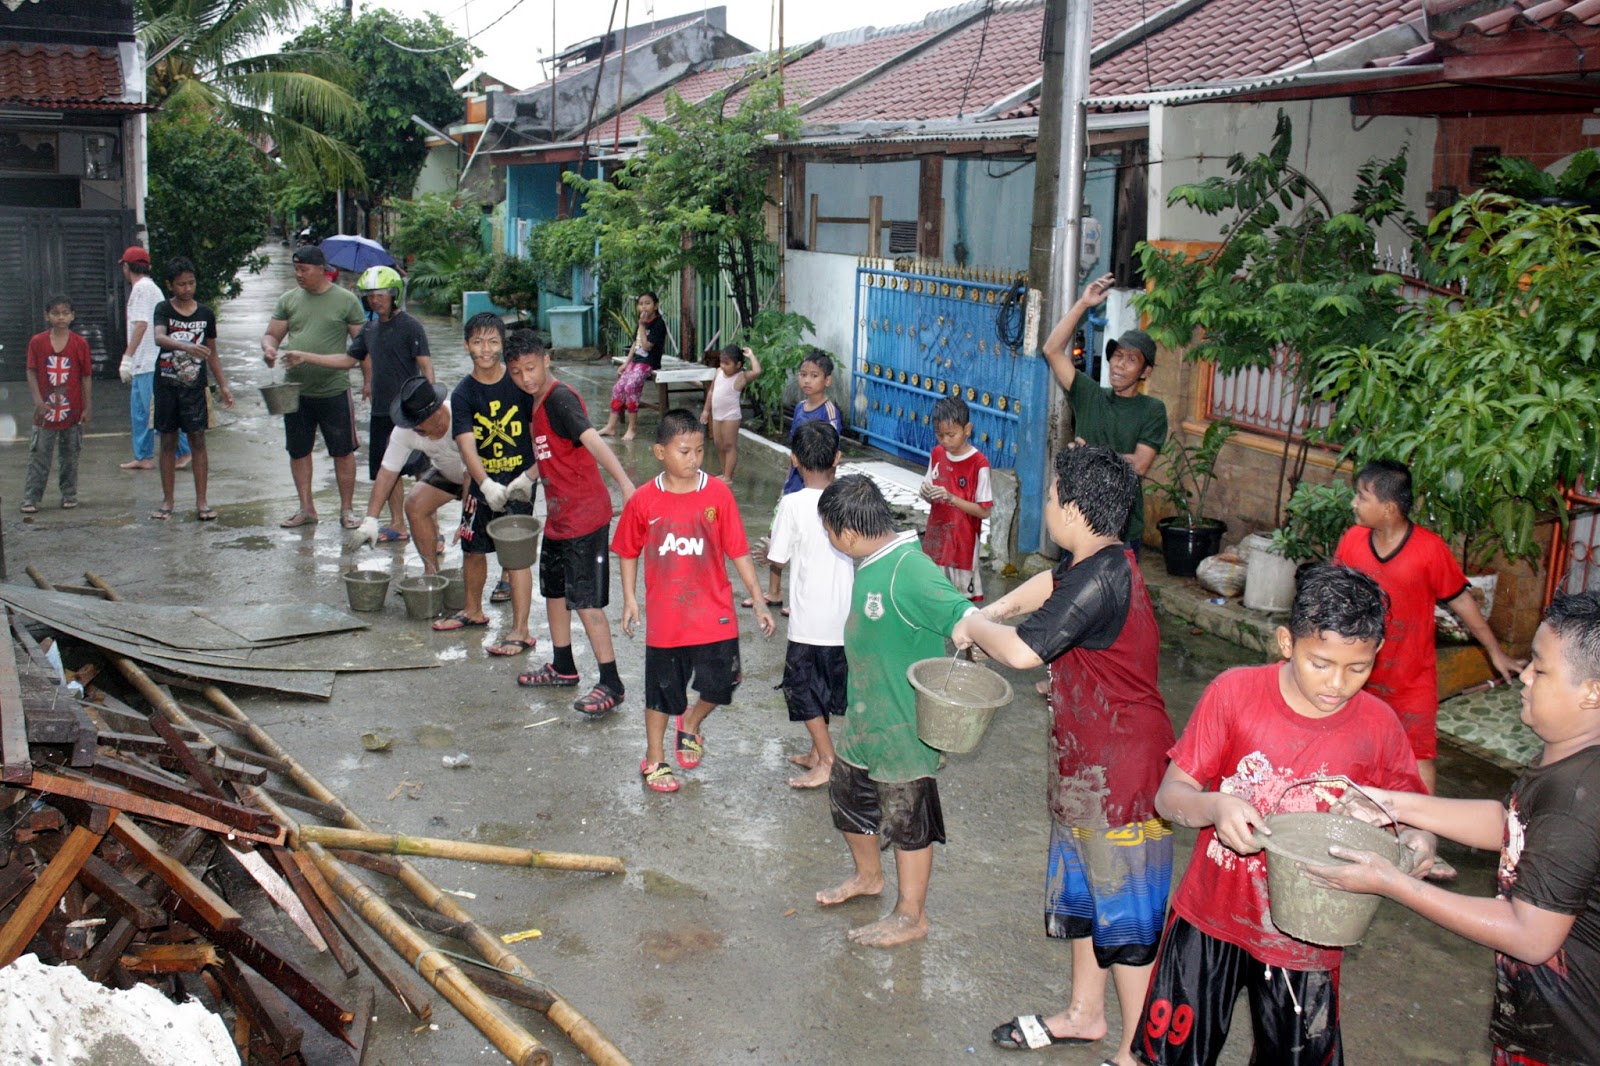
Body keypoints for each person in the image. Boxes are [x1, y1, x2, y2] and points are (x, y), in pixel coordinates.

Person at [1133, 563, 1435, 1066]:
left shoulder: (1379, 728)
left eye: (1357, 668)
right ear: (1285, 642)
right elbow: (1170, 797)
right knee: (1174, 1055)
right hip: (1209, 917)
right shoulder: (1235, 693)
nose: (1337, 683)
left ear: (1377, 653)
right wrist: (1215, 805)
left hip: (1308, 936)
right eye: (1321, 663)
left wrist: (1422, 843)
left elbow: (1416, 817)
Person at [1301, 590, 1600, 1066]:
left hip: (1571, 1040)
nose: (1523, 676)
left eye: (1540, 670)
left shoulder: (1579, 799)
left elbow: (1530, 936)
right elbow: (1511, 824)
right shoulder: (1569, 758)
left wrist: (1392, 883)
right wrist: (1394, 803)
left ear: (1593, 691)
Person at [950, 446, 1171, 1066]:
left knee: (1125, 918)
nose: (1046, 504)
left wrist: (974, 624)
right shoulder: (1095, 559)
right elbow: (1048, 587)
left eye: (1050, 496)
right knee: (1084, 894)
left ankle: (1139, 1050)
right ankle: (1084, 1013)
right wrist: (993, 609)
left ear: (1072, 509)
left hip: (1121, 769)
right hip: (1085, 758)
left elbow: (1023, 653)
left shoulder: (1105, 576)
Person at [813, 474, 978, 947]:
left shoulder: (911, 567)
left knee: (908, 823)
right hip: (867, 717)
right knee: (849, 801)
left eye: (829, 532)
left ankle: (911, 915)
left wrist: (978, 633)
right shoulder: (871, 560)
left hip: (905, 724)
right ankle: (869, 877)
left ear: (846, 532)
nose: (830, 540)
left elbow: (962, 613)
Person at [1333, 459, 1523, 796]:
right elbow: (1334, 592)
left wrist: (1495, 651)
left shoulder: (1429, 550)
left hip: (1411, 680)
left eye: (1361, 497)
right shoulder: (1352, 540)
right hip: (1356, 673)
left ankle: (1423, 835)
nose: (1354, 504)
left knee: (1418, 758)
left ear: (1389, 508)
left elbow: (1461, 601)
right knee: (1349, 747)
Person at [611, 409, 775, 793]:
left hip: (713, 613)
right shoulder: (643, 501)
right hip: (667, 620)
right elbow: (628, 550)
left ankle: (691, 723)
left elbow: (737, 550)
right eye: (684, 451)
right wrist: (630, 600)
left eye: (699, 451)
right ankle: (655, 759)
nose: (694, 459)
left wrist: (759, 598)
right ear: (659, 452)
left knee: (723, 683)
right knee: (661, 694)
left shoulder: (718, 494)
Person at [506, 329, 637, 716]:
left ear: (546, 360)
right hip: (559, 518)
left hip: (584, 516)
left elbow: (592, 440)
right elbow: (553, 452)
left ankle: (612, 683)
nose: (525, 377)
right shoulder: (534, 401)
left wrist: (627, 486)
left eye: (530, 367)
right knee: (556, 593)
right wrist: (527, 478)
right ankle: (563, 667)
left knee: (586, 601)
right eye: (516, 372)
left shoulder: (560, 399)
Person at [1040, 273, 1167, 548]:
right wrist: (1083, 304)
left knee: (1115, 591)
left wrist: (1090, 456)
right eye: (1117, 356)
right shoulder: (1090, 394)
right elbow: (1051, 350)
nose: (1120, 365)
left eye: (1131, 360)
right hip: (1077, 520)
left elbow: (1140, 464)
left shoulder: (1152, 410)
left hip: (1121, 526)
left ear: (1145, 371)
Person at [440, 313, 539, 657]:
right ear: (466, 345)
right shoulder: (464, 392)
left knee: (517, 557)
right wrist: (483, 483)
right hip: (483, 484)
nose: (486, 349)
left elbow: (538, 432)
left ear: (502, 344)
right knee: (472, 548)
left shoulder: (519, 382)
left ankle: (521, 630)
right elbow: (467, 443)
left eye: (493, 341)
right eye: (478, 341)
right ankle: (473, 610)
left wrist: (531, 475)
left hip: (520, 482)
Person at [768, 421, 853, 789]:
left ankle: (828, 760)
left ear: (794, 460)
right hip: (846, 617)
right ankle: (818, 752)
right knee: (826, 686)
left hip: (810, 619)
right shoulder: (849, 499)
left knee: (803, 688)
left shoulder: (792, 504)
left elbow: (778, 557)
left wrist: (764, 553)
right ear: (838, 458)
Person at [261, 245, 366, 529]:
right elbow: (272, 334)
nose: (298, 274)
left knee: (343, 451)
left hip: (333, 388)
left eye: (303, 269)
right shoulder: (289, 300)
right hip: (295, 391)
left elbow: (361, 348)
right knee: (298, 450)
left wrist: (370, 381)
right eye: (296, 269)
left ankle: (347, 510)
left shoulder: (346, 301)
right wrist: (269, 349)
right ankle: (306, 508)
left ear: (321, 269)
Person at [345, 376, 465, 576]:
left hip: (482, 475)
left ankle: (505, 576)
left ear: (436, 412)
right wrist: (370, 520)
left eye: (418, 424)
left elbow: (473, 472)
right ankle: (431, 574)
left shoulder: (460, 416)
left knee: (479, 529)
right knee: (414, 505)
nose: (414, 429)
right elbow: (387, 472)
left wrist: (467, 519)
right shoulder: (407, 429)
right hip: (448, 474)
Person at [756, 349, 844, 609]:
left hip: (818, 485)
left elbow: (832, 455)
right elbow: (793, 450)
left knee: (808, 542)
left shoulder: (829, 413)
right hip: (795, 481)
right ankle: (774, 591)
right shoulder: (798, 408)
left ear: (826, 380)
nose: (807, 380)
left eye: (814, 375)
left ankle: (801, 596)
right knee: (778, 532)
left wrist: (827, 492)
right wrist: (786, 484)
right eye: (803, 374)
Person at [350, 265, 432, 544]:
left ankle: (432, 529)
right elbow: (349, 359)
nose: (375, 300)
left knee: (422, 470)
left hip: (410, 411)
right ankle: (397, 523)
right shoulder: (369, 329)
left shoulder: (410, 326)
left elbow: (425, 366)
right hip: (381, 410)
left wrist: (429, 408)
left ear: (394, 295)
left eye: (381, 294)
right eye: (370, 295)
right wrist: (306, 357)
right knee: (388, 467)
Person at [150, 257, 233, 521]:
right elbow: (159, 337)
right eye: (181, 284)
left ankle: (202, 502)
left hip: (195, 387)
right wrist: (186, 347)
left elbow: (213, 353)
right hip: (166, 384)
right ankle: (168, 501)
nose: (187, 289)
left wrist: (223, 385)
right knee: (168, 441)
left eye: (191, 283)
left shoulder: (205, 314)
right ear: (170, 286)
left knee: (198, 440)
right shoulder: (164, 309)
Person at [118, 245, 188, 472]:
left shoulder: (142, 289)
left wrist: (127, 356)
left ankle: (183, 450)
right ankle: (143, 455)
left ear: (127, 267)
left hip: (148, 360)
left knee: (156, 411)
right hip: (143, 362)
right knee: (140, 412)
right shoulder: (147, 288)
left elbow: (141, 324)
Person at [920, 395, 993, 602]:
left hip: (963, 545)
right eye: (939, 435)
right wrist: (926, 494)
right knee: (933, 598)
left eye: (951, 435)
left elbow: (984, 510)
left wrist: (952, 498)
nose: (945, 440)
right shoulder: (936, 454)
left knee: (961, 602)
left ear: (967, 430)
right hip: (936, 541)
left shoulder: (979, 464)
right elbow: (929, 489)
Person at [22, 295, 92, 513]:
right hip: (45, 410)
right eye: (55, 313)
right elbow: (31, 371)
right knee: (39, 454)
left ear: (72, 316)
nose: (60, 317)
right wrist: (38, 400)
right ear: (47, 316)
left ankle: (69, 494)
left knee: (70, 453)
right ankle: (31, 498)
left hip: (72, 409)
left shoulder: (80, 344)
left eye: (65, 313)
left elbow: (86, 376)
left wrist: (87, 406)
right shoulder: (37, 342)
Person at [598, 291, 668, 441]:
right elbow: (635, 344)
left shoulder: (658, 324)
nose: (644, 307)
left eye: (648, 303)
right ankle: (611, 426)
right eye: (641, 304)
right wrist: (627, 362)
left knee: (630, 387)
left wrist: (642, 326)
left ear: (655, 306)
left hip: (649, 363)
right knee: (618, 388)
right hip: (636, 362)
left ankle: (632, 428)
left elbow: (647, 346)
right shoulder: (641, 322)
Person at [700, 344, 761, 483]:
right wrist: (706, 410)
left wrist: (751, 355)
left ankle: (728, 476)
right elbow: (711, 391)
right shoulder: (718, 372)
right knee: (719, 444)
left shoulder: (741, 377)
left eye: (727, 363)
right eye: (721, 362)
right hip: (717, 415)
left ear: (738, 364)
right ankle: (724, 472)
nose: (723, 366)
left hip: (730, 416)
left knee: (729, 445)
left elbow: (757, 371)